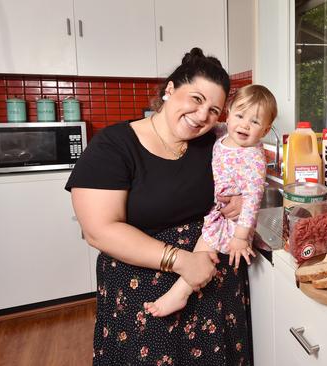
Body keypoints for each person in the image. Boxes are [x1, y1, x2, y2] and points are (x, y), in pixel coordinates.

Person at [66, 47, 252, 365]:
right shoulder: (113, 145)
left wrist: (240, 197)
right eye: (196, 99)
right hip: (143, 294)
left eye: (213, 110)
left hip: (211, 286)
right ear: (169, 90)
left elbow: (250, 165)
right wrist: (182, 262)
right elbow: (98, 231)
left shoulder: (216, 143)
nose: (202, 115)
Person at [145, 84, 277, 317]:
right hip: (218, 212)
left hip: (234, 223)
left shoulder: (253, 159)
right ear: (228, 113)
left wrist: (240, 238)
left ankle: (180, 293)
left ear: (265, 130)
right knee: (203, 250)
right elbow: (206, 125)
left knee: (204, 250)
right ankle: (182, 289)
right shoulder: (224, 133)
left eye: (255, 122)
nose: (245, 124)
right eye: (239, 115)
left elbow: (252, 201)